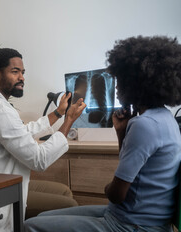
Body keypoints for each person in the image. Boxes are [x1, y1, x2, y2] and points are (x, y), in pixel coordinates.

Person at [24, 35, 181, 232]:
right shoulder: (166, 119)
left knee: (30, 225)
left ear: (136, 83)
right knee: (43, 216)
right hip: (133, 216)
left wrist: (107, 187)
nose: (115, 86)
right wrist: (121, 132)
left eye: (120, 80)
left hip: (131, 225)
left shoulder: (145, 125)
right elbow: (136, 172)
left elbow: (116, 194)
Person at [0, 48, 86, 231]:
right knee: (68, 205)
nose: (22, 77)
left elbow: (23, 132)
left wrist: (59, 113)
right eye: (15, 72)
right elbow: (39, 160)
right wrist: (68, 121)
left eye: (23, 72)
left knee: (65, 191)